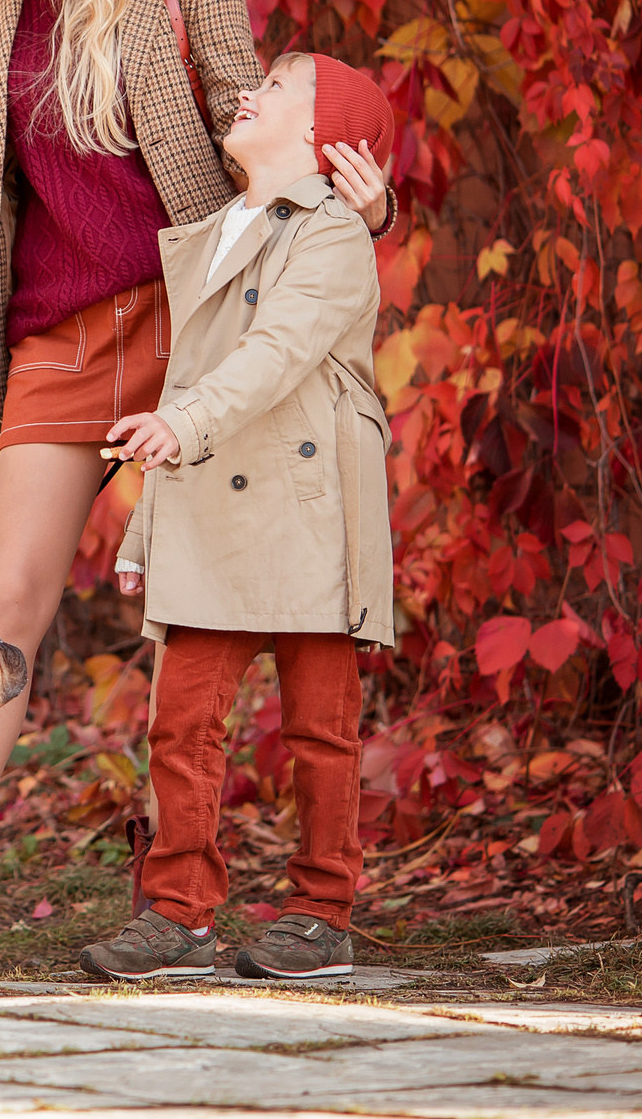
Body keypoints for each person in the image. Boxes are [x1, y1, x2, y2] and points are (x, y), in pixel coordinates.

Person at [0, 0, 396, 964]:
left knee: (205, 602)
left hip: (193, 323)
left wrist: (369, 203)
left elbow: (264, 131)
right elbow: (4, 195)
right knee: (9, 616)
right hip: (53, 339)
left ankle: (182, 895)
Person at [78, 51, 398, 981]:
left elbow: (277, 351)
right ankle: (178, 911)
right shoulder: (216, 229)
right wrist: (144, 527)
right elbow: (188, 376)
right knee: (180, 723)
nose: (247, 93)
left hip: (311, 510)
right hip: (211, 500)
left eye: (276, 88)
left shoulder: (336, 234)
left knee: (322, 729)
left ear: (320, 136)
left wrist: (180, 426)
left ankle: (320, 911)